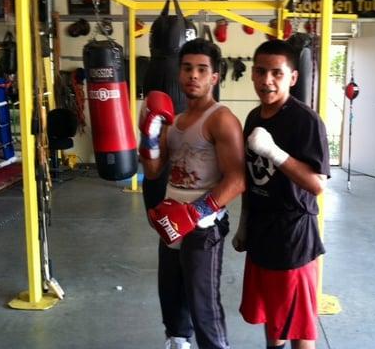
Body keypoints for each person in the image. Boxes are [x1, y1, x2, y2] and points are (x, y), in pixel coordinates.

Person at [138, 38, 246, 349]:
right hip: (172, 221)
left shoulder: (221, 119)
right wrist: (148, 135)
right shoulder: (175, 122)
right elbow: (155, 170)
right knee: (170, 297)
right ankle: (178, 343)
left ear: (214, 77)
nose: (193, 76)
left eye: (201, 69)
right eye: (187, 68)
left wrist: (195, 212)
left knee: (203, 305)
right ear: (178, 73)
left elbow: (237, 179)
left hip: (203, 226)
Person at [232, 39, 330, 349]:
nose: (266, 81)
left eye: (276, 73)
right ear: (252, 74)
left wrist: (275, 152)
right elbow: (250, 176)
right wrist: (244, 222)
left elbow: (317, 184)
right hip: (261, 232)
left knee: (299, 326)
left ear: (293, 78)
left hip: (293, 236)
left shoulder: (305, 120)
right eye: (260, 72)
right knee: (272, 318)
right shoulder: (254, 118)